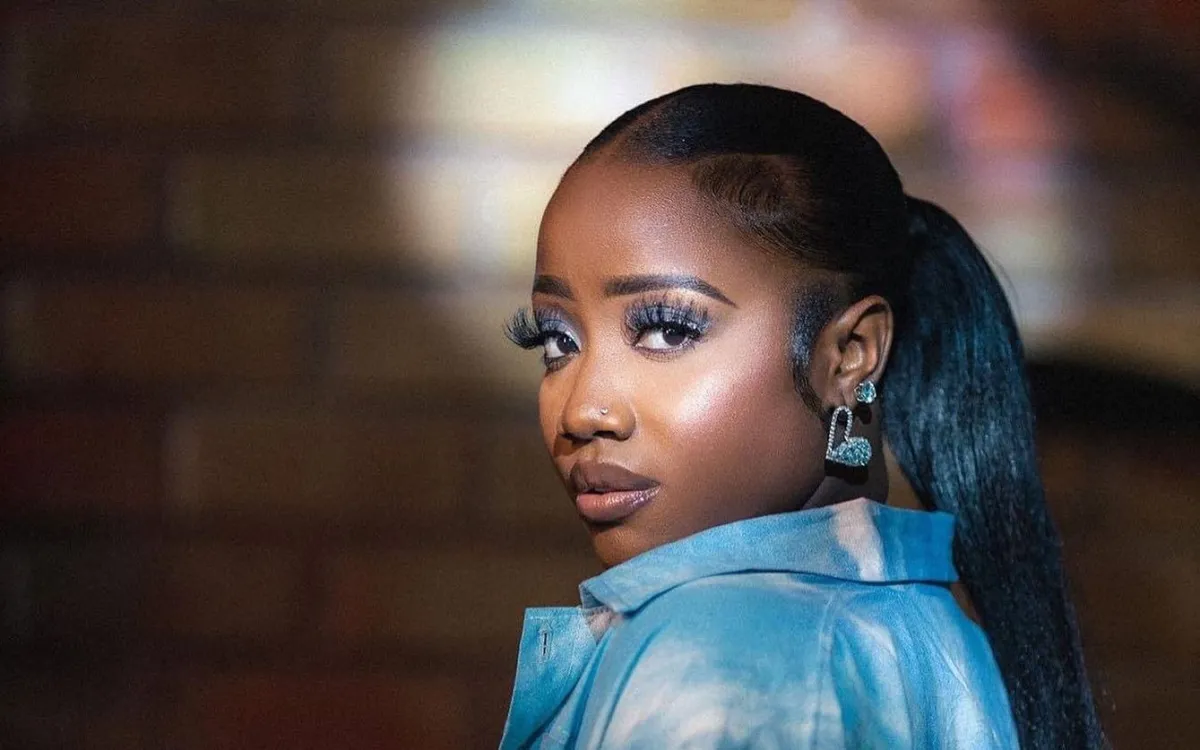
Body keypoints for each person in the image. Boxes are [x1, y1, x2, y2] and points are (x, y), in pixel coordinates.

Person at [499, 83, 1103, 749]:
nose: (582, 410)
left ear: (849, 355)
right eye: (556, 341)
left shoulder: (719, 656)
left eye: (668, 329)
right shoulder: (924, 629)